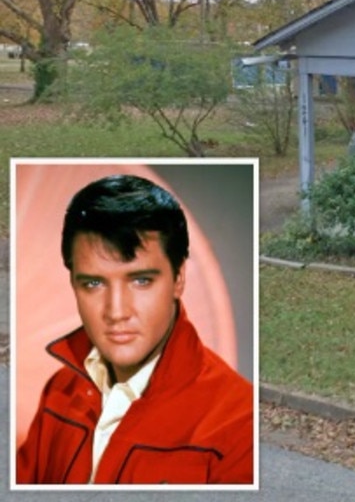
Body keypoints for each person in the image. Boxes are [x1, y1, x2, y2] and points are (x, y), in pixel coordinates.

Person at [16, 174, 254, 485]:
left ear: (179, 278)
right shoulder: (60, 392)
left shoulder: (237, 424)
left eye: (141, 281)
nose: (116, 312)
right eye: (93, 283)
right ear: (73, 283)